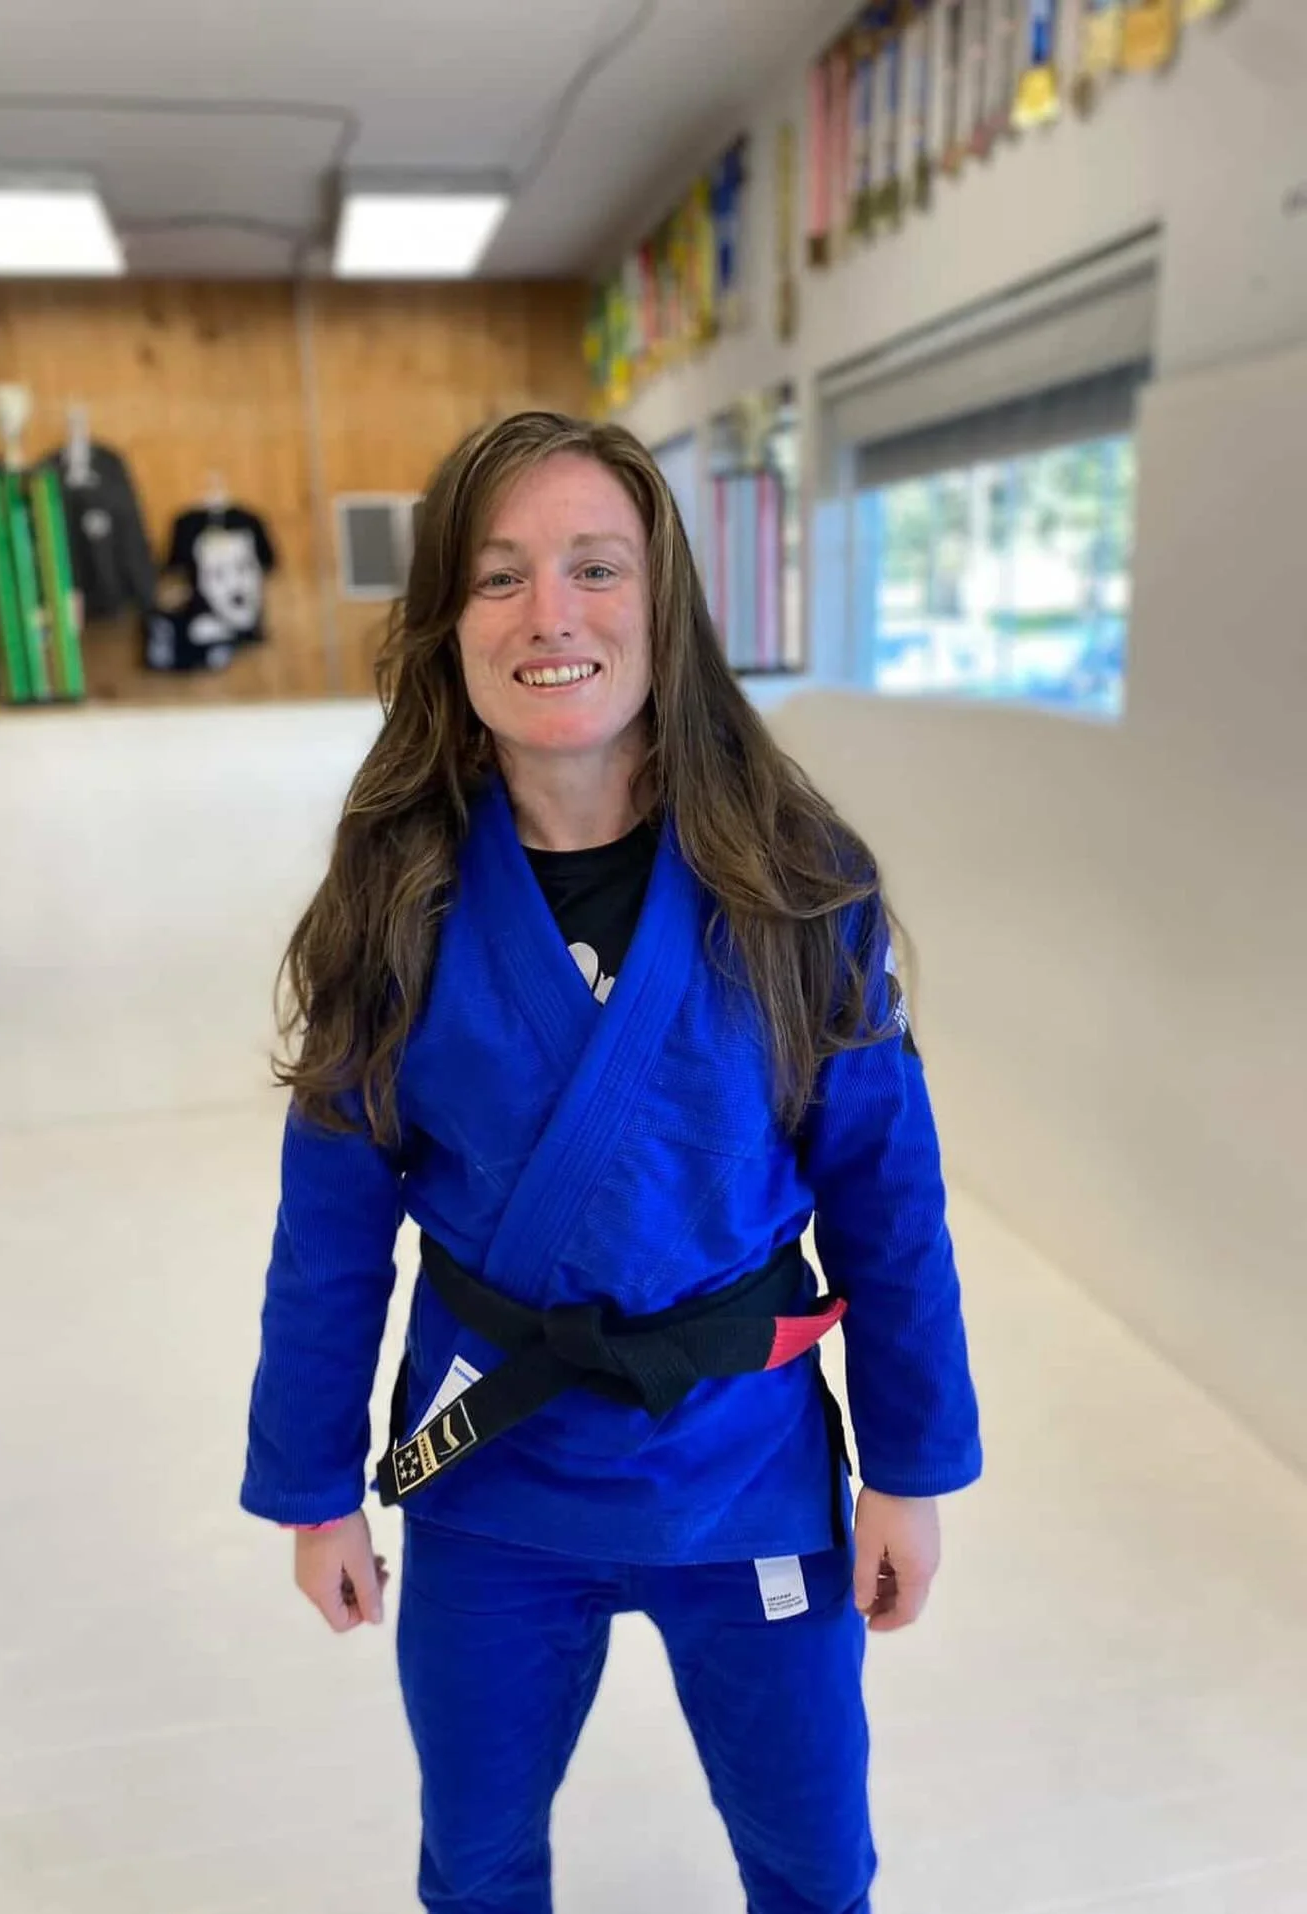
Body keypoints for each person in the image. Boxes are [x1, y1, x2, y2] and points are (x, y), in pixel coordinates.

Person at [241, 410, 982, 1914]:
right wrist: (317, 1484)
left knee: (812, 1857)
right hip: (490, 1473)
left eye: (596, 567)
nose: (550, 615)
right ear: (449, 623)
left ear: (667, 606)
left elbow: (887, 1200)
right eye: (499, 577)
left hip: (745, 1461)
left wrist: (909, 1464)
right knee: (481, 1853)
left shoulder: (792, 877)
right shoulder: (395, 890)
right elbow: (329, 1231)